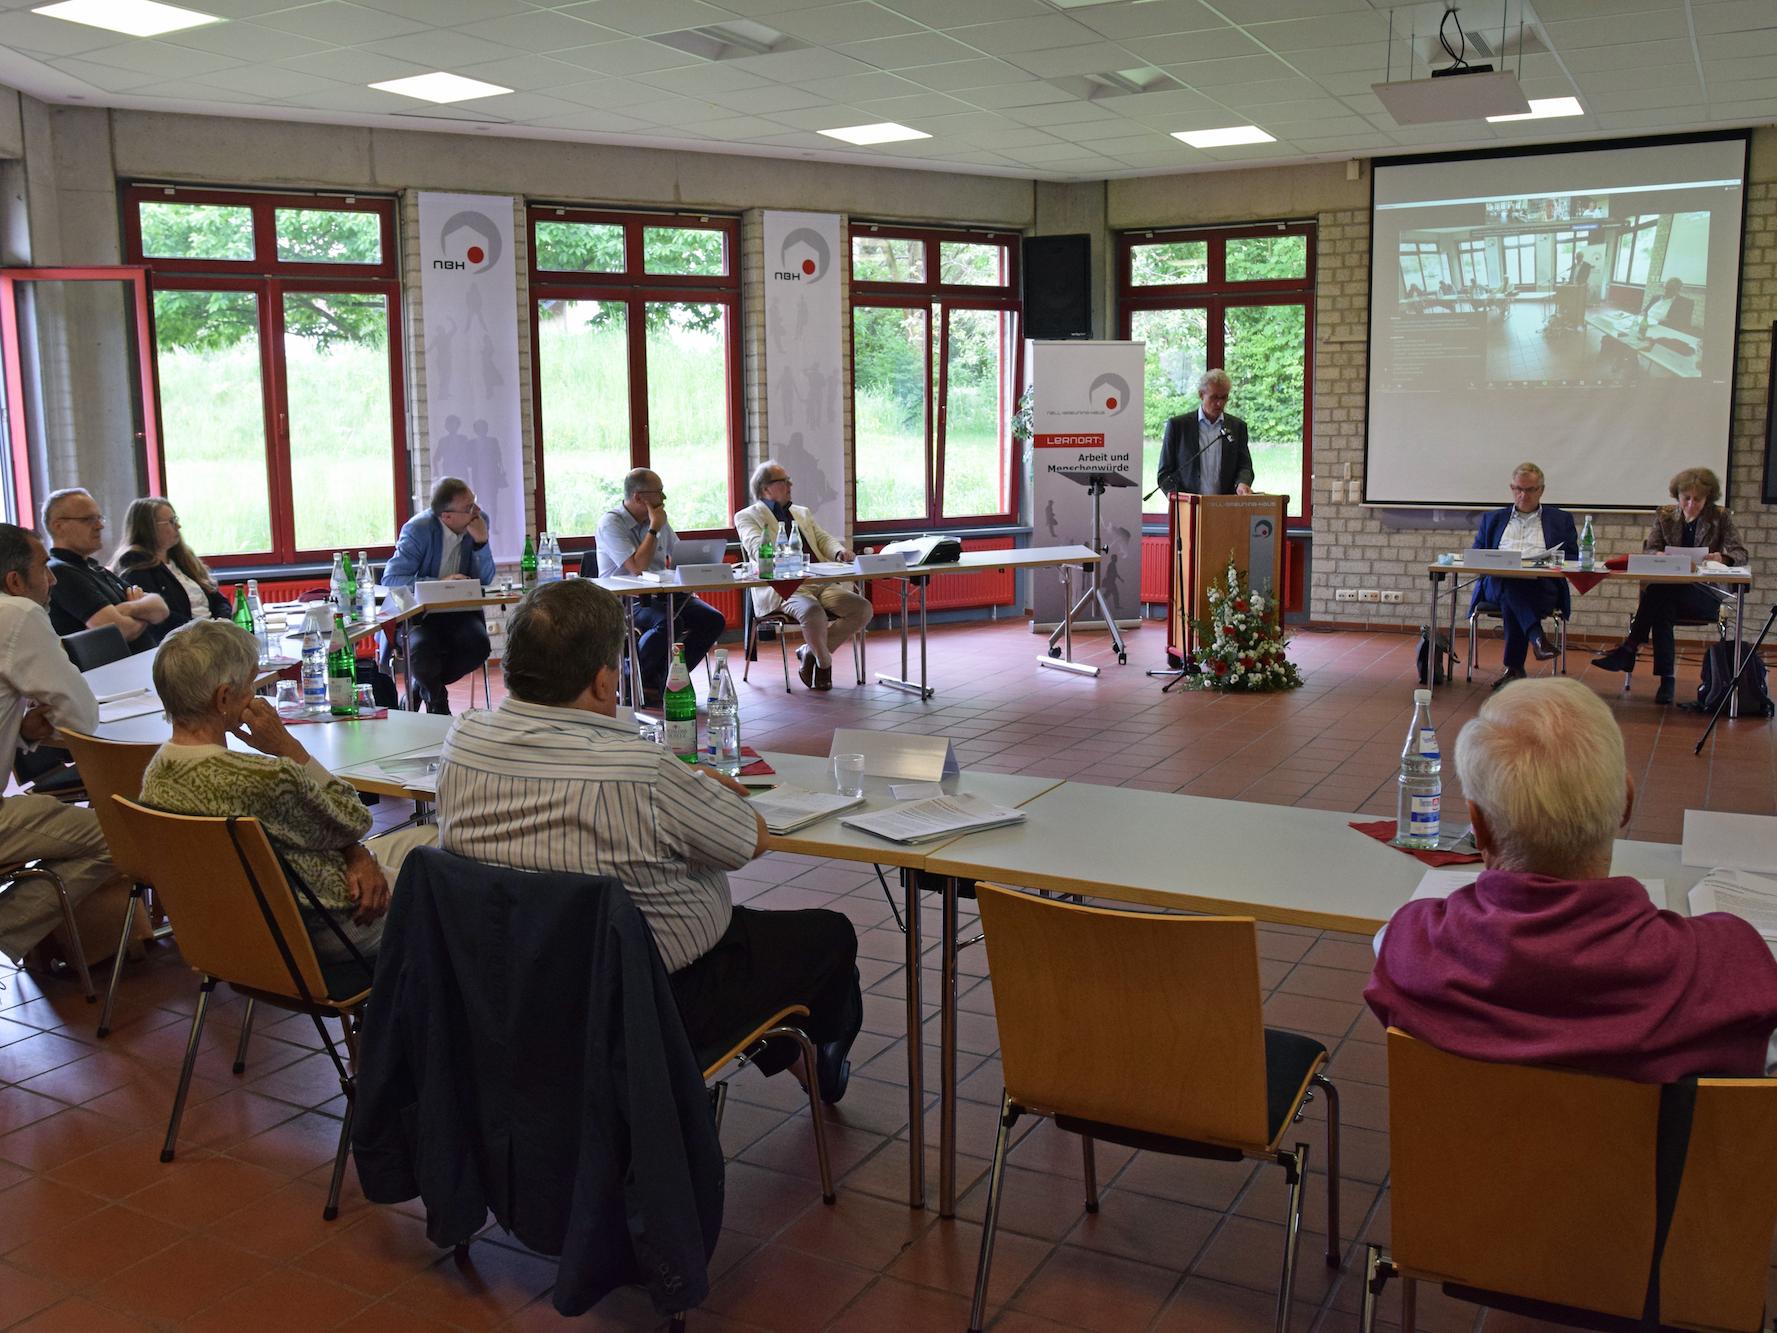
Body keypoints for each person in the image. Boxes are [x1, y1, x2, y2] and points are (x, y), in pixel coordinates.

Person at [435, 578, 862, 1102]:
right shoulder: (643, 769)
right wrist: (708, 788)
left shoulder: (462, 742)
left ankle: (787, 1053)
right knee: (829, 936)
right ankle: (818, 1055)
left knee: (742, 952)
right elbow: (748, 841)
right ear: (600, 682)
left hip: (509, 989)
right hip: (649, 997)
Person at [1366, 678, 1777, 1084]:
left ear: (1479, 827)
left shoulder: (1405, 947)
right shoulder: (1732, 969)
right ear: (1626, 803)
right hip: (1651, 1153)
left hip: (1462, 1149)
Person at [139, 620, 435, 967]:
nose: (254, 696)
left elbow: (331, 829)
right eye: (250, 685)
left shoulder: (155, 775)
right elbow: (355, 818)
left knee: (428, 839)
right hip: (337, 928)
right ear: (223, 698)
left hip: (241, 937)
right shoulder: (266, 778)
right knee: (449, 865)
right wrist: (288, 747)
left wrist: (357, 854)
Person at [0, 523, 144, 967]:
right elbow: (81, 715)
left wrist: (24, 730)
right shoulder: (18, 615)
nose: (55, 579)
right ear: (15, 581)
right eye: (45, 567)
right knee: (121, 838)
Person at [1592, 466, 1747, 705]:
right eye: (1686, 499)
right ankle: (1666, 679)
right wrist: (1659, 555)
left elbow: (1740, 553)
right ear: (1678, 497)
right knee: (1662, 605)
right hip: (1670, 592)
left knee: (1657, 593)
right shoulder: (1665, 515)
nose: (1691, 505)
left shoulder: (1720, 517)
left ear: (1708, 498)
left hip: (1704, 592)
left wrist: (1722, 558)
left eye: (1698, 500)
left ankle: (1631, 649)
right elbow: (1650, 548)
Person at [734, 460, 871, 691]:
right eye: (784, 481)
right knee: (812, 612)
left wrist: (839, 551)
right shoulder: (748, 516)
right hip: (782, 587)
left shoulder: (801, 512)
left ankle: (810, 651)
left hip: (819, 582)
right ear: (766, 488)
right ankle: (824, 662)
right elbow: (757, 549)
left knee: (862, 608)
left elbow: (822, 538)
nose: (791, 484)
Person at [594, 468, 724, 707]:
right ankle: (631, 678)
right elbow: (637, 566)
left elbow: (680, 556)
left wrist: (698, 567)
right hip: (625, 598)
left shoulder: (661, 520)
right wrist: (653, 529)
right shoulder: (611, 523)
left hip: (663, 594)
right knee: (670, 622)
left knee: (713, 619)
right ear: (638, 497)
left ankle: (665, 679)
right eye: (659, 493)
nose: (664, 499)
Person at [382, 477, 494, 714]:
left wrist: (482, 543)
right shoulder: (418, 529)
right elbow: (392, 580)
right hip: (420, 616)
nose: (477, 511)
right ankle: (437, 701)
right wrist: (440, 584)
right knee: (422, 650)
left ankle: (419, 687)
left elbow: (486, 578)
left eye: (474, 503)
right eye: (469, 508)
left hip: (458, 613)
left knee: (478, 646)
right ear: (447, 517)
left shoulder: (478, 522)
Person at [1469, 462, 1578, 690]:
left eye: (1530, 490)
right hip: (1496, 584)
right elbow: (1478, 554)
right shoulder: (1494, 519)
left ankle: (1515, 669)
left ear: (1541, 490)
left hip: (1542, 586)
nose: (1523, 495)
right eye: (1518, 489)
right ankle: (1537, 637)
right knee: (1510, 584)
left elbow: (1572, 557)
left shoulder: (1560, 519)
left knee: (1514, 596)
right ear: (1511, 488)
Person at [41, 488, 168, 653]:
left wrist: (128, 609)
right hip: (108, 674)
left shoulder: (94, 568)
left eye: (99, 518)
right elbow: (120, 630)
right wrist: (145, 615)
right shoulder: (60, 571)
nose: (99, 526)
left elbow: (161, 608)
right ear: (58, 526)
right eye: (88, 519)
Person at [110, 497, 230, 633]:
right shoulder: (135, 565)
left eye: (176, 520)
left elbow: (218, 599)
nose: (178, 526)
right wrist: (205, 631)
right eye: (171, 521)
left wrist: (222, 622)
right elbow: (161, 618)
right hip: (185, 640)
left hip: (212, 632)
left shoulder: (182, 558)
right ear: (149, 528)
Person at [1156, 369, 1254, 498]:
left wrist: (1242, 483)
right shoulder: (1178, 426)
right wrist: (1179, 498)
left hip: (1225, 506)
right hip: (1188, 508)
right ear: (1201, 395)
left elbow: (1245, 466)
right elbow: (1165, 473)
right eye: (1214, 397)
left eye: (1224, 397)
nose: (1219, 403)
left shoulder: (1237, 427)